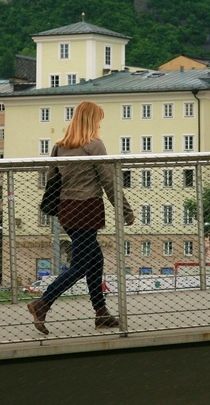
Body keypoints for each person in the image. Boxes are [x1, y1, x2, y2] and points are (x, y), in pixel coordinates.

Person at [27, 101, 134, 334]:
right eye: (98, 120)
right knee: (81, 264)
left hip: (67, 209)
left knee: (95, 260)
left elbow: (52, 180)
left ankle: (101, 313)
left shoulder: (59, 147)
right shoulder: (94, 145)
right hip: (88, 208)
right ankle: (42, 303)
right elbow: (109, 181)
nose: (99, 124)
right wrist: (125, 210)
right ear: (92, 120)